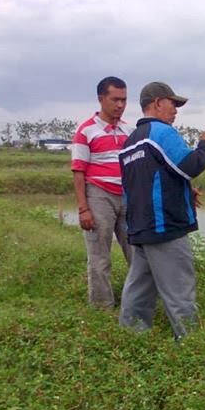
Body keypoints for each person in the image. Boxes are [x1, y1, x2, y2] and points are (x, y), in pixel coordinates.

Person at [118, 82, 205, 339]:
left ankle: (131, 338)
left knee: (138, 290)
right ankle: (191, 346)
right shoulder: (161, 132)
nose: (175, 111)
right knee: (180, 293)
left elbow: (144, 182)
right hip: (165, 228)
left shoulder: (131, 141)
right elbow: (191, 165)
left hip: (140, 227)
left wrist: (183, 191)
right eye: (173, 104)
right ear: (157, 103)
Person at [71, 76, 133, 309]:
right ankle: (102, 306)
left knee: (136, 253)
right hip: (99, 195)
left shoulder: (130, 130)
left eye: (124, 100)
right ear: (101, 99)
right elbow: (78, 171)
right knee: (99, 256)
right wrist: (83, 208)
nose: (120, 105)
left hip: (127, 196)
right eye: (115, 99)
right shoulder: (86, 131)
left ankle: (136, 303)